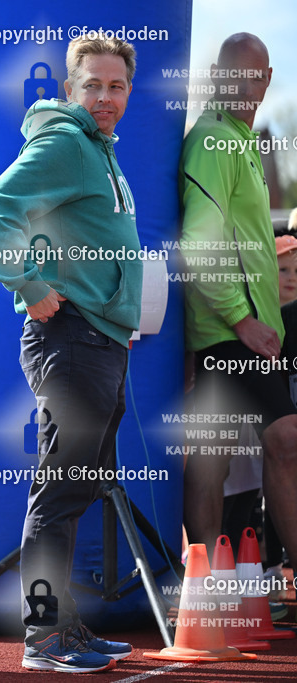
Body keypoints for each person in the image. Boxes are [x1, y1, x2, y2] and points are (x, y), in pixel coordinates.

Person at [0, 34, 141, 673]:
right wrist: (30, 283)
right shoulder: (67, 143)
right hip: (69, 339)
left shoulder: (99, 151)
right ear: (69, 89)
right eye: (93, 85)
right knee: (59, 491)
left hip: (100, 340)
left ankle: (64, 626)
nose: (105, 96)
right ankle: (43, 639)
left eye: (117, 86)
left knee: (79, 487)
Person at [180, 34, 297, 587]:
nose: (245, 88)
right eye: (234, 75)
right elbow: (200, 240)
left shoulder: (244, 142)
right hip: (230, 330)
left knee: (214, 459)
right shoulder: (211, 139)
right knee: (285, 441)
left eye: (255, 77)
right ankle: (207, 586)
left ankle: (208, 588)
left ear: (268, 79)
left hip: (251, 330)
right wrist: (240, 319)